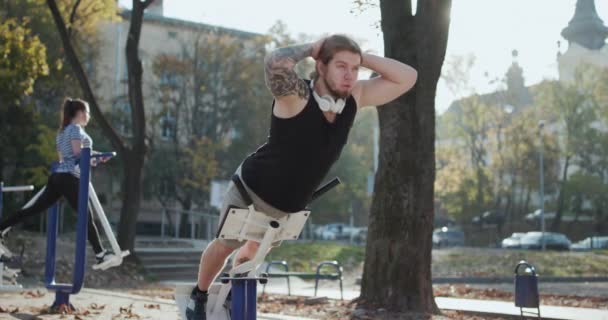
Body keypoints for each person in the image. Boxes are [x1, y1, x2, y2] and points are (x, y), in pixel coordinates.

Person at [186, 34, 417, 319]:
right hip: (251, 190)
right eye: (341, 66)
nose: (349, 76)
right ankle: (199, 294)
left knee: (252, 253)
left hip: (286, 206)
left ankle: (234, 291)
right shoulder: (295, 96)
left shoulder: (355, 97)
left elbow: (408, 77)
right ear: (321, 66)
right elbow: (275, 65)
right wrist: (311, 48)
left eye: (354, 69)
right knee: (225, 247)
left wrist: (360, 56)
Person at [0, 98, 115, 269]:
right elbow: (78, 155)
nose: (88, 116)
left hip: (58, 175)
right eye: (88, 112)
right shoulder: (76, 129)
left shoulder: (62, 132)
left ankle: (2, 227)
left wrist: (95, 157)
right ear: (81, 113)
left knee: (35, 208)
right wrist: (93, 158)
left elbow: (66, 158)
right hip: (71, 177)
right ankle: (100, 255)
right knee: (86, 216)